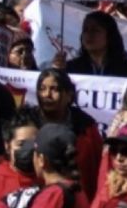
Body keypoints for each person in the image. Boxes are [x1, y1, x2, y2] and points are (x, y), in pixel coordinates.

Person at [34, 69, 104, 197]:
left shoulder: (85, 127)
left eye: (54, 89)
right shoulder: (29, 123)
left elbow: (98, 170)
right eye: (42, 89)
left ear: (69, 95)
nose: (47, 94)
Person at [65, 11, 127, 78]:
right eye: (85, 30)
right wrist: (58, 71)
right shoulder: (71, 68)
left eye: (95, 30)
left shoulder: (126, 69)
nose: (89, 34)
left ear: (110, 35)